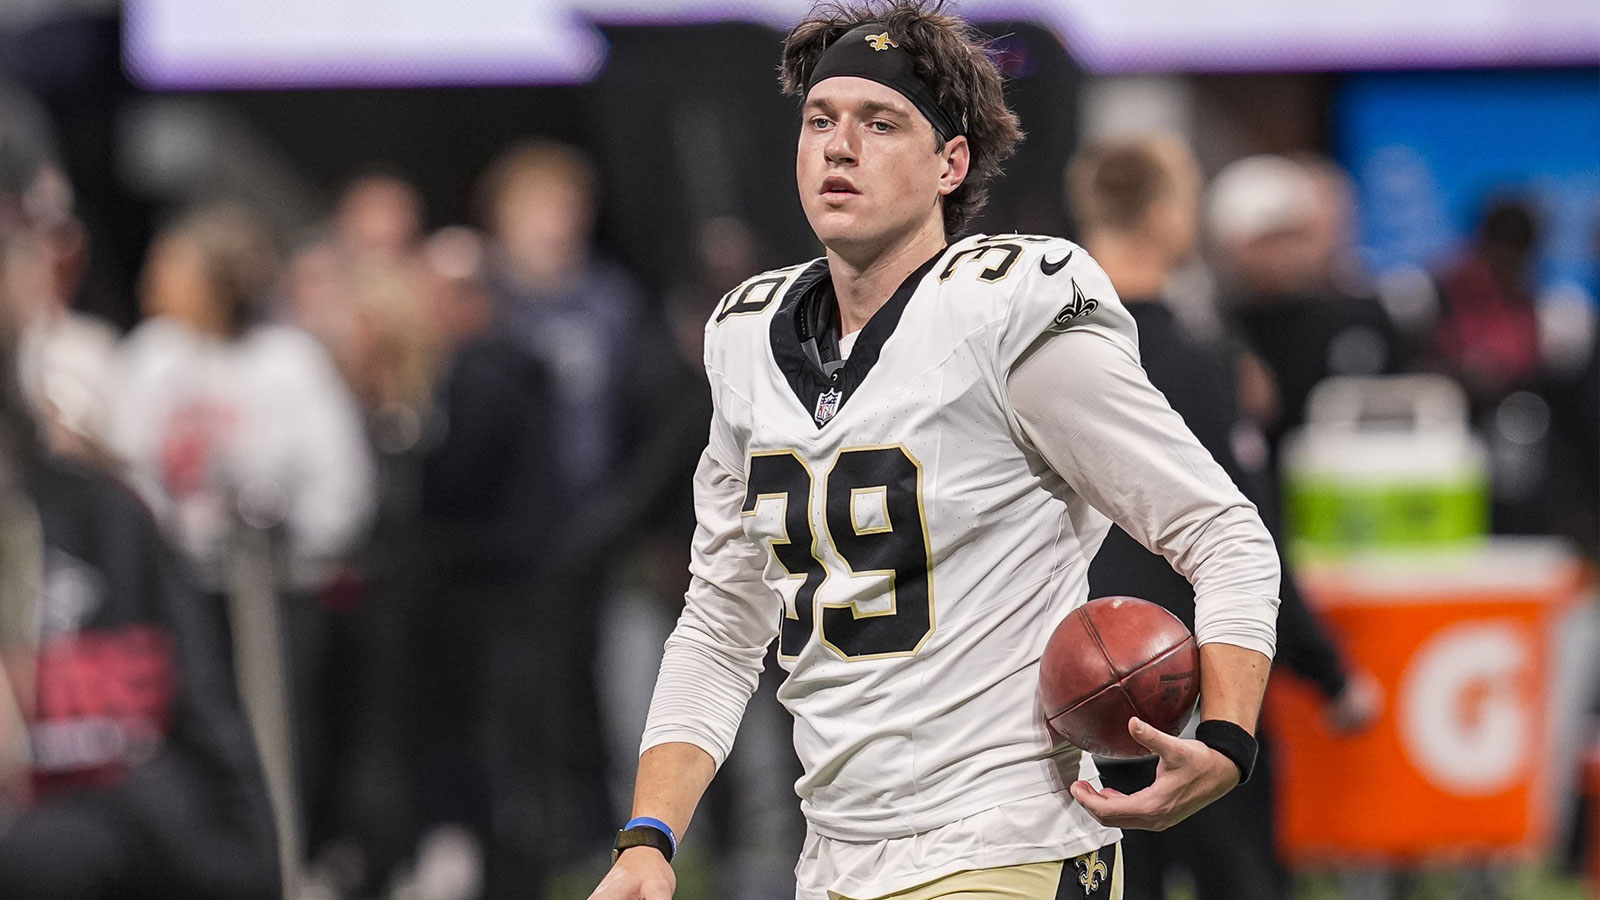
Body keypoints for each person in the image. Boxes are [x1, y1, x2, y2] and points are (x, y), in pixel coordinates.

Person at [588, 4, 1281, 900]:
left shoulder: (1011, 307)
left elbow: (1222, 531)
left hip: (1004, 841)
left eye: (880, 123)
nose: (840, 147)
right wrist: (649, 837)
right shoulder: (747, 335)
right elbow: (723, 623)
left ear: (951, 163)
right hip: (837, 856)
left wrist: (1226, 738)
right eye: (820, 120)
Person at [1069, 136, 1380, 900]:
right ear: (1171, 214)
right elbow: (1240, 531)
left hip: (1073, 681)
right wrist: (1328, 671)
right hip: (1188, 678)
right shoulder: (1183, 354)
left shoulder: (1041, 348)